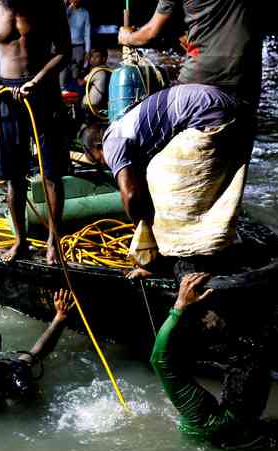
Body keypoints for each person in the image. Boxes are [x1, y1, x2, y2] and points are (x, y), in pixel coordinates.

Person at [81, 84, 247, 278]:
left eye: (99, 160)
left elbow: (131, 195)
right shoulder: (131, 127)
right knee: (205, 192)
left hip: (207, 113)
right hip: (232, 108)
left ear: (98, 146)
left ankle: (187, 265)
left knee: (173, 194)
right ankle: (218, 250)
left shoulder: (112, 141)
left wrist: (143, 231)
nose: (107, 164)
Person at [0, 0, 72, 264]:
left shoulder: (50, 5)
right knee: (12, 176)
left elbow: (64, 51)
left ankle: (54, 242)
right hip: (6, 94)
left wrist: (38, 81)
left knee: (51, 172)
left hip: (43, 90)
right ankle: (20, 241)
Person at [118, 0, 261, 155]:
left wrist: (127, 37)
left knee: (168, 145)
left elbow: (151, 33)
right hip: (247, 78)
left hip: (200, 76)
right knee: (238, 150)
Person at [150, 272, 271, 449]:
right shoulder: (208, 419)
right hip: (221, 437)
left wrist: (179, 308)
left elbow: (160, 360)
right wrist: (178, 308)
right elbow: (158, 361)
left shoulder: (205, 413)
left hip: (221, 439)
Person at [60, 0, 90, 91]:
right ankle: (62, 90)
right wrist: (67, 6)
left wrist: (87, 51)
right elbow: (61, 20)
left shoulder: (85, 13)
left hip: (79, 46)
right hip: (66, 45)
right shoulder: (67, 10)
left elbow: (87, 32)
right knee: (63, 71)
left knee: (76, 72)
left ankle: (75, 95)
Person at [81, 47, 108, 118]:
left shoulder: (96, 70)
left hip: (90, 105)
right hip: (101, 104)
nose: (93, 59)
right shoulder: (106, 69)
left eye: (97, 57)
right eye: (91, 56)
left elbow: (82, 83)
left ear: (104, 59)